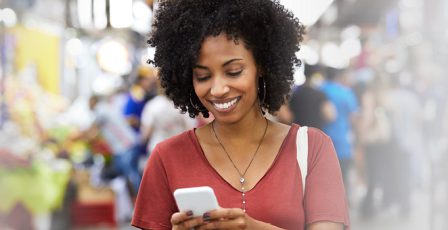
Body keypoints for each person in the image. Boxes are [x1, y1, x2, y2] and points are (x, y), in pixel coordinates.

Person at [132, 1, 350, 229]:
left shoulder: (312, 149)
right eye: (203, 77)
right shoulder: (166, 158)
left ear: (263, 65)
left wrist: (251, 227)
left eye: (233, 72)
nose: (217, 89)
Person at [319, 67, 358, 193]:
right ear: (338, 77)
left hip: (322, 140)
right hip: (342, 140)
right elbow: (354, 117)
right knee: (343, 175)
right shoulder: (346, 93)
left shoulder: (320, 90)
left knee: (323, 177)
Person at [289, 64, 336, 130]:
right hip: (315, 134)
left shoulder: (295, 93)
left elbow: (287, 117)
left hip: (297, 133)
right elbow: (330, 116)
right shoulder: (320, 94)